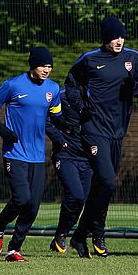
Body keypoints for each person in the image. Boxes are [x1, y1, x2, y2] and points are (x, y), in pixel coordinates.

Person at [64, 16, 138, 258]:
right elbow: (71, 85)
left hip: (117, 132)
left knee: (104, 185)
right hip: (93, 130)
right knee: (108, 181)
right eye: (114, 37)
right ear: (105, 38)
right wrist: (81, 109)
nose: (119, 41)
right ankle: (95, 234)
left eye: (122, 36)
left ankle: (83, 235)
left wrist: (135, 87)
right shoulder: (89, 60)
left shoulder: (133, 58)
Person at [0, 47, 63, 262]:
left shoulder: (53, 89)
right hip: (15, 152)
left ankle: (14, 249)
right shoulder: (13, 85)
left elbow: (57, 117)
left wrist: (75, 125)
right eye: (42, 65)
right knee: (22, 198)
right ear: (32, 65)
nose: (47, 70)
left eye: (49, 66)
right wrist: (5, 133)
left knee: (33, 206)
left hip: (38, 155)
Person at [44, 87, 92, 254]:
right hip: (65, 155)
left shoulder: (95, 97)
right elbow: (46, 119)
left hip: (88, 158)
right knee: (75, 194)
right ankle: (62, 234)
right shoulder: (61, 96)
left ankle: (68, 236)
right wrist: (59, 139)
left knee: (83, 199)